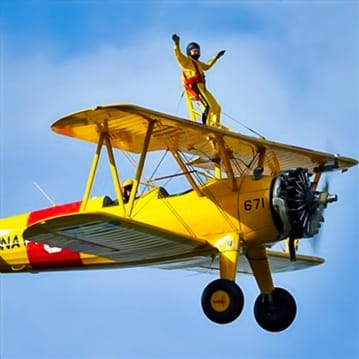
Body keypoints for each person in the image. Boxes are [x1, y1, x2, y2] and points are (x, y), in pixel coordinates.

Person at [172, 34, 225, 127]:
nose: (196, 52)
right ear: (189, 52)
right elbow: (178, 55)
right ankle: (206, 127)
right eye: (194, 51)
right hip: (194, 87)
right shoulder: (186, 61)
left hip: (203, 88)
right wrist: (177, 43)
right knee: (207, 106)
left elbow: (207, 66)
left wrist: (216, 57)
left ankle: (215, 126)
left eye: (197, 51)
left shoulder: (199, 63)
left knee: (217, 108)